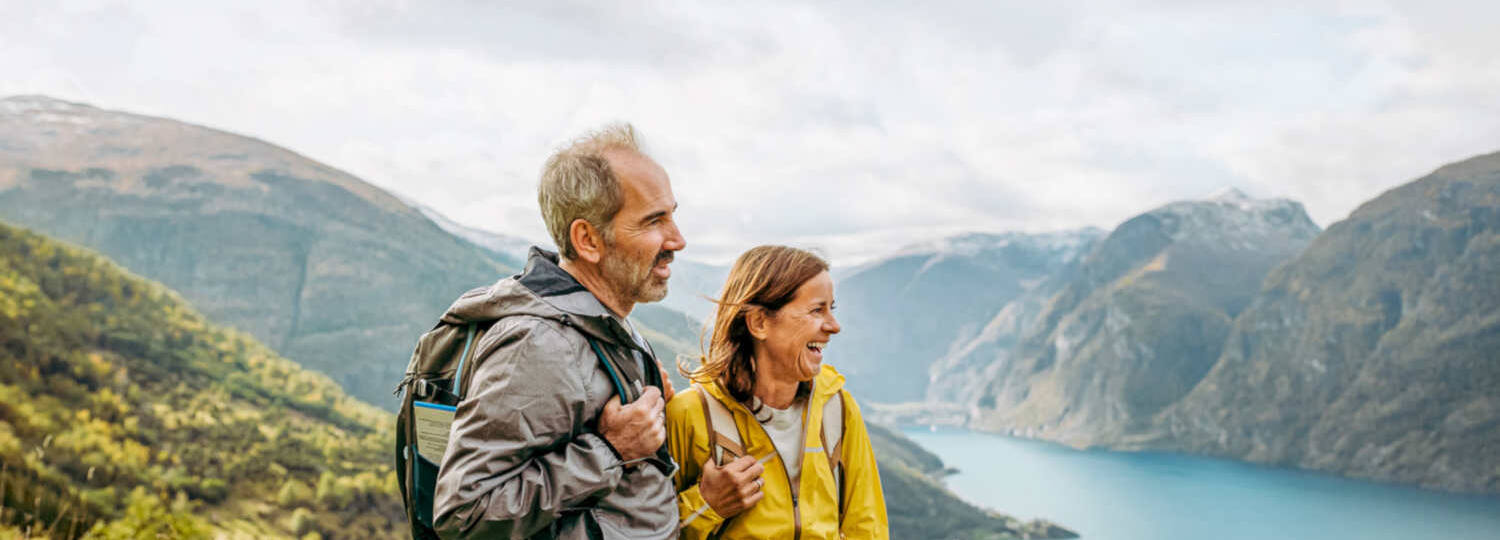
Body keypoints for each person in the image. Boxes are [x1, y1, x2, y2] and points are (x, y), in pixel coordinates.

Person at [433, 124, 685, 539]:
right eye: (654, 221)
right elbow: (465, 514)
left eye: (673, 214)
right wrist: (610, 451)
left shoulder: (600, 322)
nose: (678, 240)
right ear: (587, 240)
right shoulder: (537, 344)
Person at [666, 246, 889, 539]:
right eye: (816, 310)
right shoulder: (689, 415)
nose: (834, 326)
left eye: (831, 309)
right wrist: (706, 505)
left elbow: (868, 529)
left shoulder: (838, 409)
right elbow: (646, 531)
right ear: (759, 322)